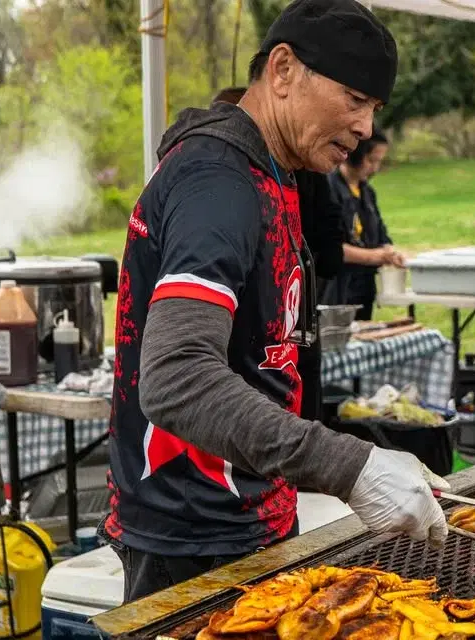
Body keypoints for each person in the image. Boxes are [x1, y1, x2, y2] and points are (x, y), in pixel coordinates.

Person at [101, 0, 449, 603]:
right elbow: (176, 375)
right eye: (355, 98)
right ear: (283, 70)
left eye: (374, 108)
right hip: (193, 536)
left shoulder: (274, 170)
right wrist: (349, 465)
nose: (366, 127)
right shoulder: (217, 182)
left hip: (245, 514)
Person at [212, 86, 344, 422]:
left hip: (281, 345)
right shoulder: (218, 182)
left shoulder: (293, 171)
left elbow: (330, 254)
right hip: (261, 353)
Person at [322, 130, 404, 321]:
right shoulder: (328, 189)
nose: (375, 168)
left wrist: (389, 251)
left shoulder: (367, 193)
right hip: (337, 291)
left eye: (379, 162)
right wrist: (375, 256)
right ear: (354, 153)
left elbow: (381, 234)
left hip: (364, 288)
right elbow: (330, 248)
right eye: (371, 160)